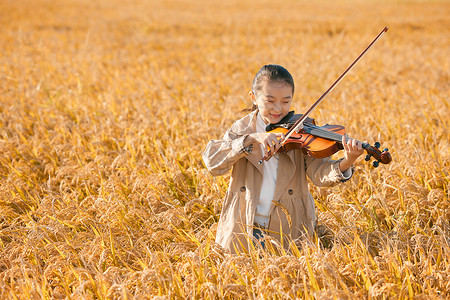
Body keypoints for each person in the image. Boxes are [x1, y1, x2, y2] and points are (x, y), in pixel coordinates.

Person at [202, 64, 364, 254]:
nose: (278, 109)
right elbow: (212, 162)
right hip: (244, 224)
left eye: (286, 101)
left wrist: (347, 160)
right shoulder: (242, 129)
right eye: (270, 101)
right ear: (253, 97)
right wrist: (251, 140)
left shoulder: (299, 130)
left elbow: (319, 174)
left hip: (287, 227)